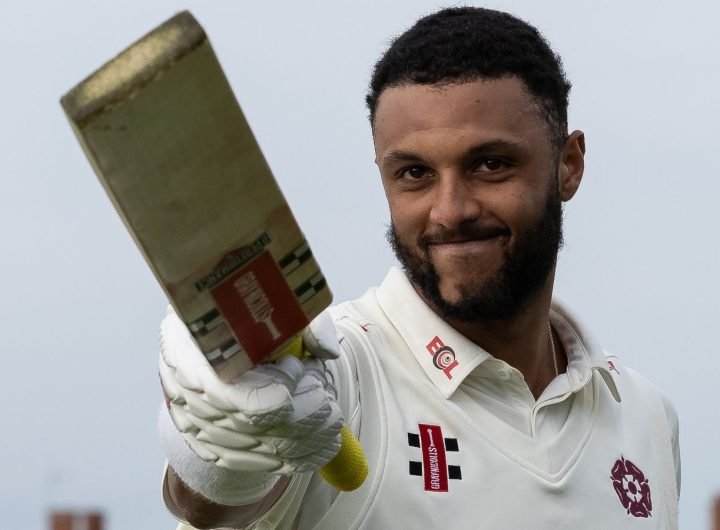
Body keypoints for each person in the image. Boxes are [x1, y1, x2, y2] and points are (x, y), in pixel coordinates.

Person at [158, 7, 681, 529]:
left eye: (491, 164)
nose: (451, 210)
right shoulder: (338, 374)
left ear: (569, 165)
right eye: (414, 173)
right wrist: (215, 442)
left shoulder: (645, 416)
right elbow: (210, 506)